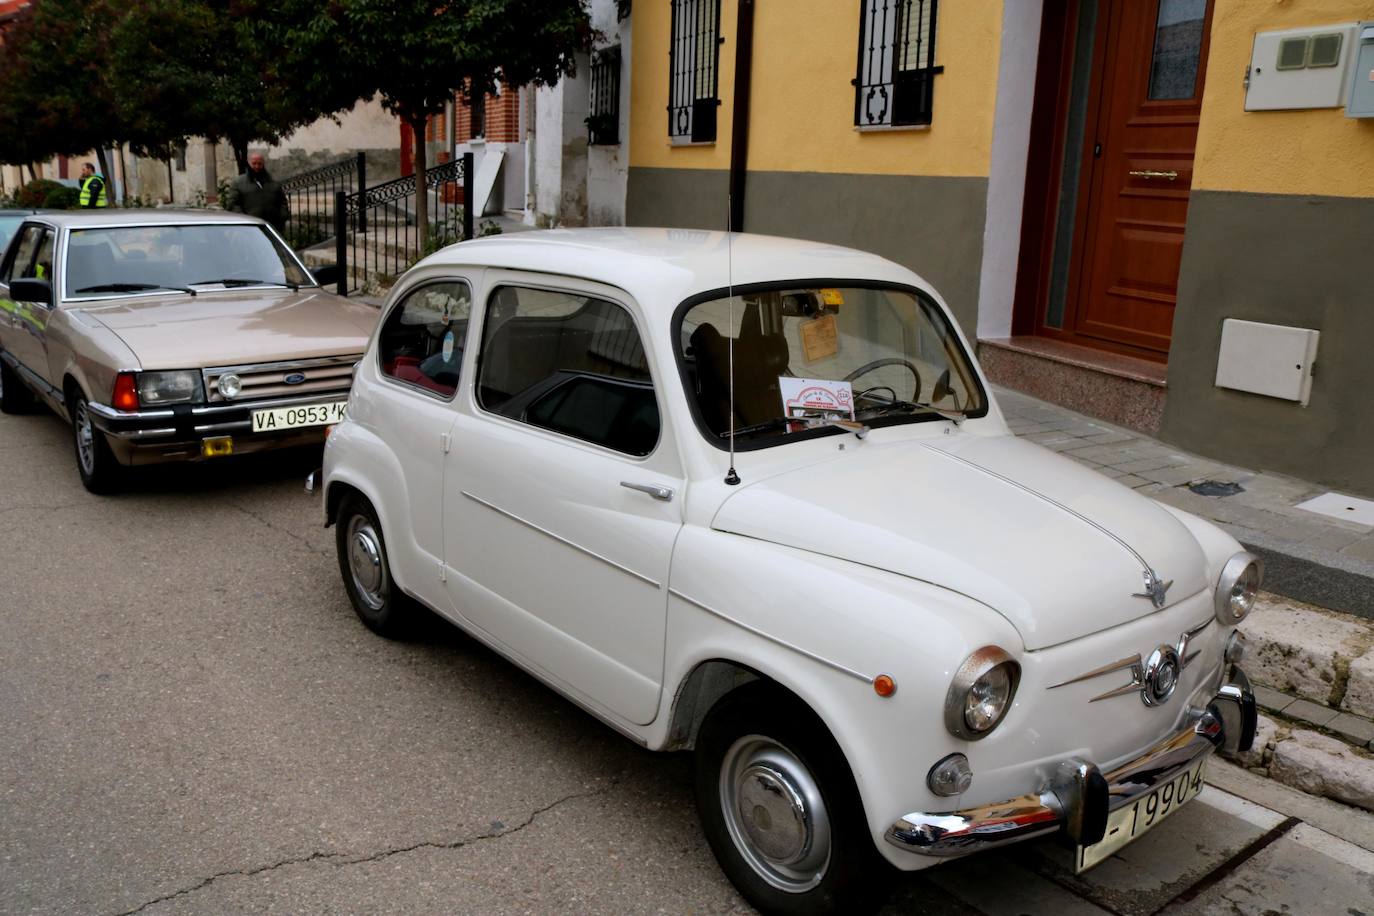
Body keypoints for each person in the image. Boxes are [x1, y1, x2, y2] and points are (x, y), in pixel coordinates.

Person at [225, 152, 288, 232]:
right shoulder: (238, 183)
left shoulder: (273, 182)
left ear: (263, 164)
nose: (257, 166)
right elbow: (232, 204)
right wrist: (245, 220)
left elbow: (282, 202)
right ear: (249, 164)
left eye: (259, 164)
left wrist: (282, 216)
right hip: (248, 229)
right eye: (254, 163)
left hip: (272, 228)